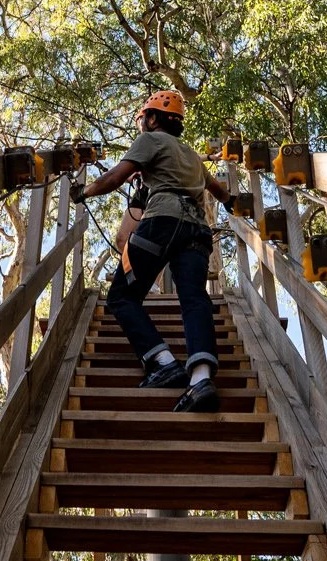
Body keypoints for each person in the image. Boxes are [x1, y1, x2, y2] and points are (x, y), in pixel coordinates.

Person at [81, 90, 233, 412]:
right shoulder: (191, 154)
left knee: (122, 295)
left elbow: (113, 178)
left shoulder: (150, 140)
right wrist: (237, 205)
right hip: (197, 229)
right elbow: (219, 191)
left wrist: (84, 192)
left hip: (162, 222)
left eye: (143, 120)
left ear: (152, 118)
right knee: (194, 298)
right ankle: (201, 379)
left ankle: (162, 361)